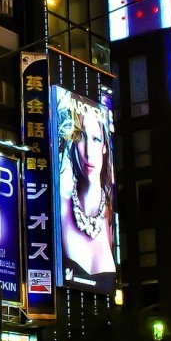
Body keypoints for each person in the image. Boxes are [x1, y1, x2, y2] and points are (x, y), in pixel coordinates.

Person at [56, 96, 117, 292]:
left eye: (96, 139)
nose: (89, 152)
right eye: (81, 138)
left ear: (105, 146)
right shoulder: (59, 208)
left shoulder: (113, 218)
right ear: (73, 142)